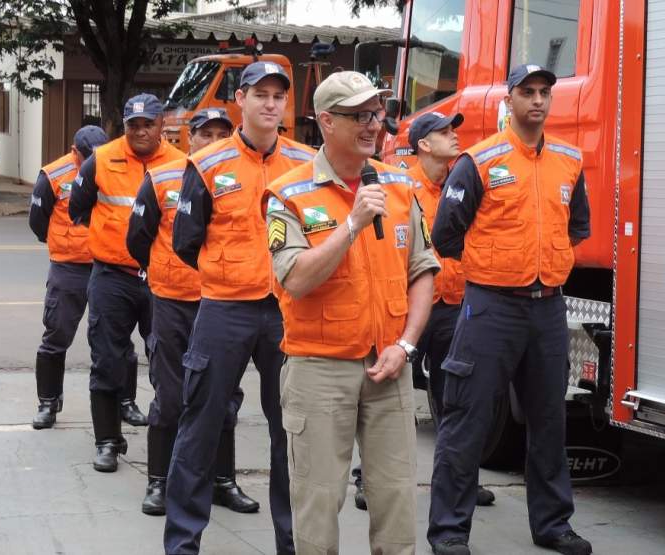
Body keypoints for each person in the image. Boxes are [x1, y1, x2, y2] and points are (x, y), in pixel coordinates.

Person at [264, 70, 437, 555]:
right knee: (318, 507)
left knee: (397, 500)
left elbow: (423, 270)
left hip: (389, 369)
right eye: (358, 115)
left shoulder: (400, 187)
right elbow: (295, 278)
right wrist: (353, 223)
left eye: (376, 114)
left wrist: (406, 345)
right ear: (325, 121)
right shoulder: (288, 195)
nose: (372, 125)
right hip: (319, 372)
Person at [429, 64, 592, 555]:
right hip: (491, 307)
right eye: (528, 92)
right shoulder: (479, 161)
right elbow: (445, 234)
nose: (538, 101)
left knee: (548, 420)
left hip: (547, 309)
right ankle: (450, 531)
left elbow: (577, 226)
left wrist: (544, 260)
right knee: (468, 418)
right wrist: (493, 265)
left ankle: (553, 524)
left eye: (545, 92)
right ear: (510, 98)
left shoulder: (569, 159)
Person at [164, 61, 315, 555]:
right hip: (224, 310)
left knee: (289, 432)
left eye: (279, 96)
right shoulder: (208, 164)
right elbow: (187, 242)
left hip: (287, 311)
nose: (271, 104)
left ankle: (290, 542)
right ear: (241, 100)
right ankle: (183, 542)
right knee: (199, 426)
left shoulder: (306, 162)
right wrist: (227, 271)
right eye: (261, 95)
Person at [126, 108, 258, 516]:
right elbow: (137, 239)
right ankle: (159, 482)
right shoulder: (163, 178)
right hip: (171, 303)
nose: (214, 140)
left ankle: (222, 480)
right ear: (189, 138)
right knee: (169, 395)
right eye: (205, 134)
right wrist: (161, 271)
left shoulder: (240, 178)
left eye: (222, 133)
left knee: (223, 397)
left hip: (220, 304)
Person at [69, 94, 185, 472]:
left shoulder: (183, 165)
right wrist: (109, 241)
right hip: (111, 277)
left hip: (162, 280)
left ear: (161, 124)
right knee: (106, 358)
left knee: (167, 363)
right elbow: (78, 208)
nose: (140, 131)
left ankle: (169, 445)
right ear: (124, 125)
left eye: (147, 124)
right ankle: (107, 441)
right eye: (133, 124)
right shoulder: (100, 159)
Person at [406, 112, 496, 509]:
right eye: (444, 132)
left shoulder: (463, 184)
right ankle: (365, 479)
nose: (454, 136)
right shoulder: (402, 187)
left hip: (454, 303)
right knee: (386, 395)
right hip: (408, 303)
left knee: (454, 398)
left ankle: (461, 481)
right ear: (423, 144)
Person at [28, 125, 108, 429]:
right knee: (57, 334)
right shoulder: (52, 174)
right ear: (75, 152)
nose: (93, 164)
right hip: (68, 269)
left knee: (112, 340)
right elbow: (38, 221)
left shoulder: (111, 168)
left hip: (106, 266)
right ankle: (48, 402)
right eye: (87, 158)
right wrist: (65, 244)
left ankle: (124, 402)